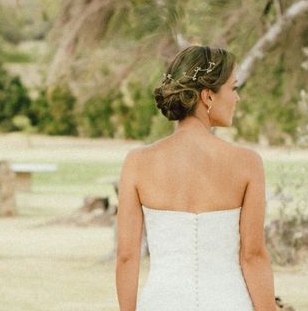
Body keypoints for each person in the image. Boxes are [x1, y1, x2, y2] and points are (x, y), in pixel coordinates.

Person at [115, 45, 277, 311]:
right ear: (207, 96)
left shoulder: (137, 163)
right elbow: (253, 257)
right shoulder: (247, 163)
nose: (237, 98)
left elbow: (127, 257)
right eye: (233, 88)